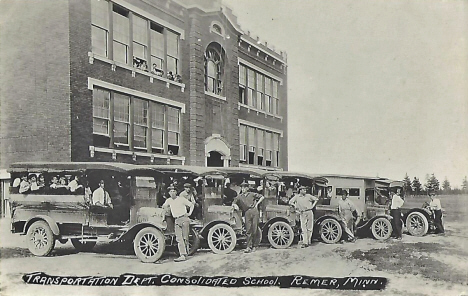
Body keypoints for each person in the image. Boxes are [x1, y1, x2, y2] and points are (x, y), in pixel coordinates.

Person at [162, 186, 194, 262]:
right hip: (176, 220)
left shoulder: (181, 199)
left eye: (173, 191)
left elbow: (191, 205)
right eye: (170, 191)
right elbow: (164, 206)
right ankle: (182, 255)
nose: (172, 193)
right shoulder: (169, 200)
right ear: (169, 193)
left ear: (176, 192)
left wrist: (189, 213)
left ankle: (186, 254)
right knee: (179, 238)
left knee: (185, 237)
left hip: (184, 219)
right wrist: (164, 215)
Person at [232, 182, 265, 253]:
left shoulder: (252, 194)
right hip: (246, 212)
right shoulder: (239, 196)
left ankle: (254, 246)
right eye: (242, 188)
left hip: (254, 211)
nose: (243, 189)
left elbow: (262, 197)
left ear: (247, 188)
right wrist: (235, 205)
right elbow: (234, 202)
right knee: (248, 230)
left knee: (255, 229)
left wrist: (257, 204)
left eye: (244, 187)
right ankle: (248, 247)